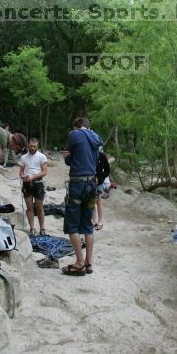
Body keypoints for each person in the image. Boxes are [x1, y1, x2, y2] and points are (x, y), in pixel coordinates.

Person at [60, 117, 103, 276]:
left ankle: (79, 263)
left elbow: (71, 160)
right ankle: (88, 263)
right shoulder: (96, 138)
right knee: (87, 224)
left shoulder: (74, 134)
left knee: (72, 224)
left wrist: (67, 157)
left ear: (77, 126)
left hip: (77, 184)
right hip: (91, 183)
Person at [19, 138, 48, 236]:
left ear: (37, 146)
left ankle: (42, 228)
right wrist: (23, 176)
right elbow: (21, 171)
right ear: (28, 145)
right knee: (29, 207)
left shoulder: (42, 156)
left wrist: (33, 177)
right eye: (31, 146)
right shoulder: (23, 157)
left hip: (38, 183)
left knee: (39, 207)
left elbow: (44, 172)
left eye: (34, 146)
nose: (32, 148)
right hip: (27, 183)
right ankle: (32, 228)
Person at [92, 148, 111, 230]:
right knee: (91, 201)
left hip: (99, 183)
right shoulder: (87, 154)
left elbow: (107, 169)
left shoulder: (101, 155)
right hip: (89, 182)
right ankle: (94, 220)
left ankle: (100, 221)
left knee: (98, 201)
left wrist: (101, 177)